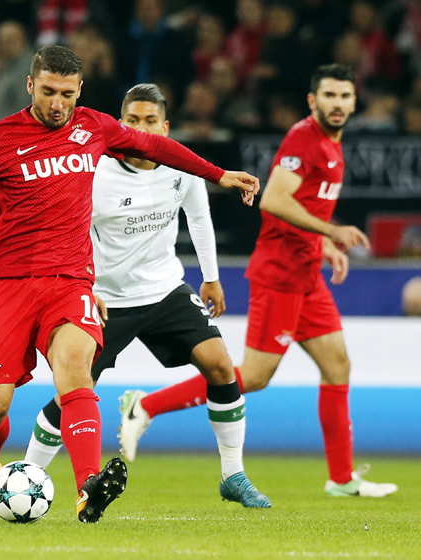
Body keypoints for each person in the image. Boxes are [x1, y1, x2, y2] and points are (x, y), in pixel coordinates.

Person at [0, 46, 260, 523]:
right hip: (7, 286)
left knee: (75, 375)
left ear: (79, 90)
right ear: (30, 86)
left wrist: (218, 174)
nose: (57, 103)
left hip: (70, 282)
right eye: (48, 92)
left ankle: (88, 487)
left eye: (66, 93)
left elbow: (154, 147)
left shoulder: (95, 127)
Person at [119, 64, 398, 498]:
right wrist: (332, 232)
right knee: (254, 374)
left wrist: (321, 244)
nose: (338, 104)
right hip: (281, 275)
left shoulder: (332, 144)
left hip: (307, 272)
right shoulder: (304, 139)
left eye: (345, 96)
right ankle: (146, 405)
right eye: (329, 96)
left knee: (337, 364)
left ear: (354, 102)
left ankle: (341, 480)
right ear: (313, 101)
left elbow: (304, 206)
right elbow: (274, 199)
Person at [22, 83, 270, 508]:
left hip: (165, 290)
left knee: (220, 366)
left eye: (150, 121)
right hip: (107, 297)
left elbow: (199, 217)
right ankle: (28, 474)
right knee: (72, 390)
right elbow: (71, 231)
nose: (141, 128)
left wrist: (210, 277)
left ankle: (233, 475)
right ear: (121, 125)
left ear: (165, 127)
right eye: (132, 120)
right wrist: (86, 285)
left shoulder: (180, 167)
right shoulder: (96, 171)